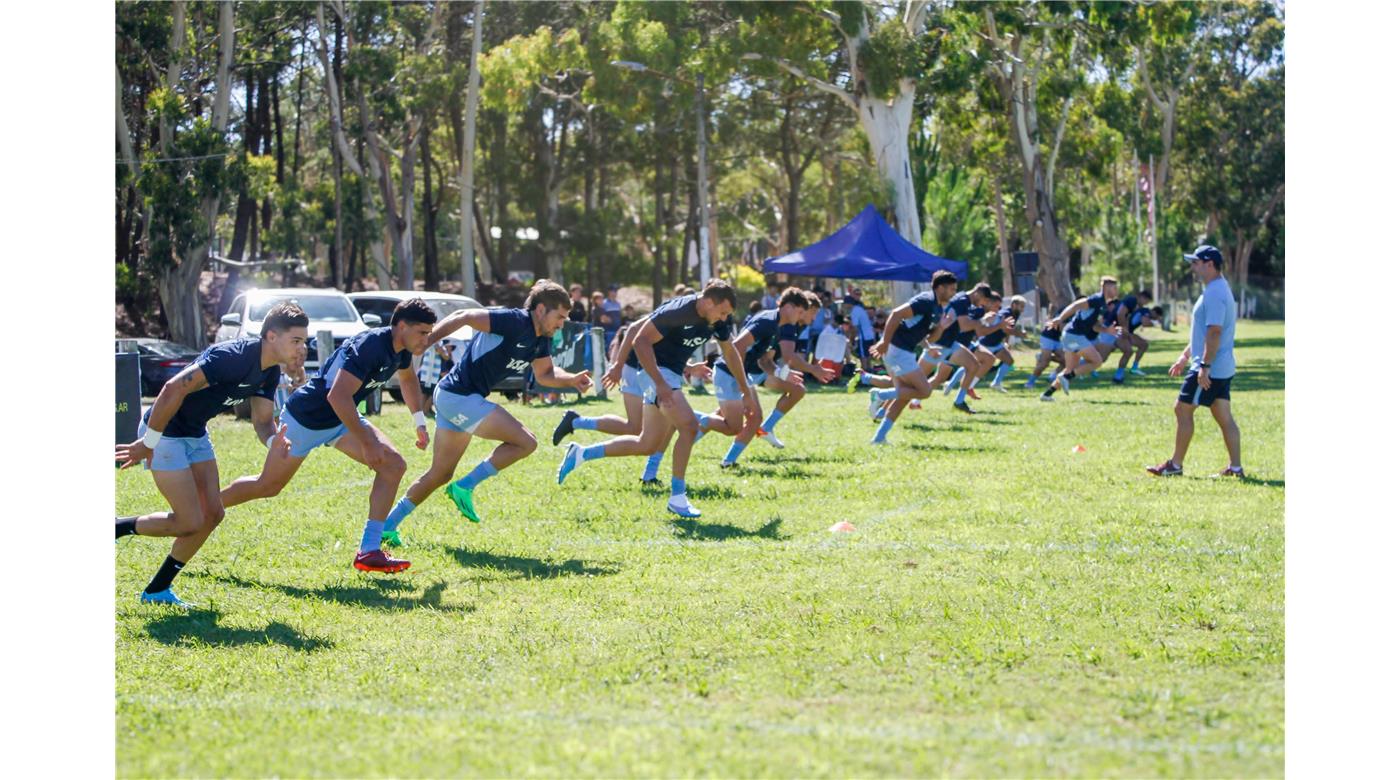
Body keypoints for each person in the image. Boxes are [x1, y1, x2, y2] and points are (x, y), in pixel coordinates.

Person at [217, 299, 439, 573]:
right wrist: (368, 442)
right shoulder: (370, 346)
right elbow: (337, 395)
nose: (427, 340)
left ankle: (369, 551)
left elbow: (407, 380)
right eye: (423, 333)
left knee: (393, 465)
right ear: (401, 326)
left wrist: (419, 420)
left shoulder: (401, 349)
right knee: (268, 486)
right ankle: (207, 507)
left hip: (341, 418)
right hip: (306, 418)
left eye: (430, 333)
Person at [115, 303, 310, 607]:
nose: (302, 348)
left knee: (214, 514)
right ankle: (118, 527)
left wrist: (274, 442)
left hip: (195, 433)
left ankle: (157, 590)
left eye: (304, 341)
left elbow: (261, 421)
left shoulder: (269, 372)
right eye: (296, 340)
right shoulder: (231, 357)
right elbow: (171, 389)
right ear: (272, 336)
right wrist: (148, 443)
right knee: (189, 521)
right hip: (164, 432)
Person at [379, 281, 592, 542]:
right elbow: (464, 316)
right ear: (540, 310)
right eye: (559, 316)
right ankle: (465, 486)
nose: (561, 324)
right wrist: (426, 341)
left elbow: (545, 375)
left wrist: (571, 379)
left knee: (440, 474)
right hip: (459, 396)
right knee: (526, 442)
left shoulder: (541, 340)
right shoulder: (515, 321)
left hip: (456, 397)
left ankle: (386, 526)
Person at [557, 280, 745, 518]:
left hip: (671, 375)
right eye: (722, 312)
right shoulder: (678, 311)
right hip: (653, 372)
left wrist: (744, 388)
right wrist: (657, 382)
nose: (724, 318)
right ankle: (678, 496)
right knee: (688, 426)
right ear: (708, 302)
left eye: (727, 314)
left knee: (647, 444)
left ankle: (581, 453)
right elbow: (640, 339)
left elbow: (729, 351)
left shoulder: (718, 319)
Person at [1148, 246, 1243, 477]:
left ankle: (1175, 465)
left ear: (1209, 264)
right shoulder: (1214, 289)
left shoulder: (1215, 292)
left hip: (1211, 367)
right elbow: (1203, 333)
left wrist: (1204, 367)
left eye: (1196, 262)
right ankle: (1236, 468)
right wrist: (1184, 356)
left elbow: (1214, 333)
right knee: (1223, 415)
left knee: (1182, 409)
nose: (1192, 267)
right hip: (1218, 365)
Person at [866, 271, 958, 444]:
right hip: (897, 350)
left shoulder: (937, 308)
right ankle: (880, 394)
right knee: (925, 391)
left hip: (902, 352)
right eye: (951, 289)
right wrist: (885, 341)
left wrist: (938, 333)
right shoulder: (925, 300)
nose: (953, 293)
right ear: (940, 287)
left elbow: (926, 336)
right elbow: (895, 314)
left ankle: (878, 438)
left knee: (903, 397)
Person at [922, 282, 1001, 414]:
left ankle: (959, 401)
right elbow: (964, 326)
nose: (983, 304)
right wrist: (983, 320)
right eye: (984, 300)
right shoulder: (962, 301)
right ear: (978, 294)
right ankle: (882, 396)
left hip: (950, 344)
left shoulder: (965, 301)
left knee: (973, 365)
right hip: (940, 344)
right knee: (916, 384)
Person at [1039, 276, 1121, 401]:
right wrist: (1060, 318)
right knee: (1097, 361)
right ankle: (1066, 377)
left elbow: (1094, 326)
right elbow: (1075, 305)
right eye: (1114, 288)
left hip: (1071, 335)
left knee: (1069, 369)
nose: (1116, 291)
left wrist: (1107, 330)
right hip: (1075, 335)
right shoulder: (1096, 299)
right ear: (1106, 287)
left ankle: (1047, 394)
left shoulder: (1103, 305)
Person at [979, 293, 1026, 392]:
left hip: (996, 343)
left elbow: (1007, 330)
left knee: (1009, 360)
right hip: (987, 343)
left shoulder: (1015, 313)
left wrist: (1006, 343)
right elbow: (1005, 329)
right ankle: (952, 382)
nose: (1023, 309)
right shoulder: (1006, 313)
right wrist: (1019, 333)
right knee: (972, 364)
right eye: (1021, 306)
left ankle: (996, 383)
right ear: (1014, 305)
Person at [1110, 291, 1156, 383]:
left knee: (1141, 345)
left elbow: (1126, 317)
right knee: (1102, 356)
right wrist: (1124, 329)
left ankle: (1122, 374)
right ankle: (1078, 369)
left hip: (1121, 330)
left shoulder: (1136, 306)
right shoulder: (1132, 300)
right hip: (1112, 329)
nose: (1146, 303)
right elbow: (1120, 314)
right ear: (1142, 297)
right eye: (1146, 301)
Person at [1025, 319, 1067, 389]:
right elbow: (1062, 327)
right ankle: (1030, 383)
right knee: (1044, 363)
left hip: (1056, 339)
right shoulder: (1067, 310)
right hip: (1047, 337)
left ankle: (1052, 377)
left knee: (1066, 361)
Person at [844, 292, 877, 373]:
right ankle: (869, 372)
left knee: (863, 356)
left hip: (864, 336)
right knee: (867, 355)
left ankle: (864, 373)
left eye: (844, 304)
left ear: (848, 304)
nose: (844, 306)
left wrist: (852, 340)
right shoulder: (859, 309)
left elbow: (855, 328)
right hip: (870, 335)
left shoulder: (854, 311)